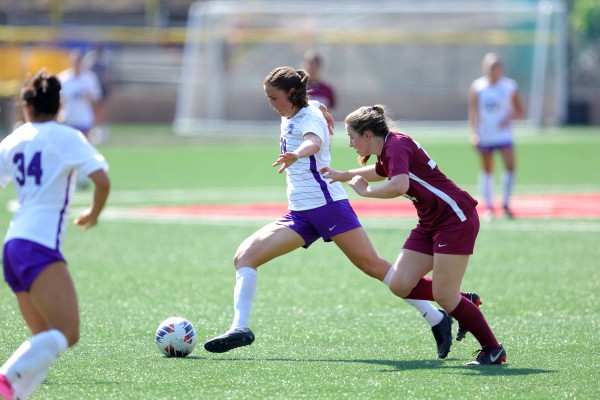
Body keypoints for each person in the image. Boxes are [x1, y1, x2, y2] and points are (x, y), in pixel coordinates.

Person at [203, 66, 456, 358]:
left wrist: (297, 153)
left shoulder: (308, 117)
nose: (271, 104)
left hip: (328, 207)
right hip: (300, 214)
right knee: (244, 256)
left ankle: (439, 315)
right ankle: (240, 329)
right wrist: (323, 108)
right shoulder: (303, 110)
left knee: (372, 265)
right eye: (268, 98)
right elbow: (314, 107)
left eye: (274, 98)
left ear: (292, 94)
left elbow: (314, 141)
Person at [321, 105, 506, 366]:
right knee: (399, 284)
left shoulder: (395, 145)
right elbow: (382, 171)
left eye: (351, 136)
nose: (350, 143)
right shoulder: (388, 148)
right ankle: (464, 301)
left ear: (367, 134)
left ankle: (493, 349)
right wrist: (345, 175)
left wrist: (367, 192)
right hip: (430, 221)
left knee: (444, 294)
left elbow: (399, 185)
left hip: (454, 218)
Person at [0, 71, 110, 400]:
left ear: (25, 107)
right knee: (67, 333)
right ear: (60, 104)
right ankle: (5, 377)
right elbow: (102, 180)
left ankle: (13, 394)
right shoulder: (67, 137)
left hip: (12, 246)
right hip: (38, 245)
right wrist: (93, 213)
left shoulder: (12, 140)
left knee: (45, 340)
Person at [469, 53, 524, 220]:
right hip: (485, 134)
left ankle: (506, 203)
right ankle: (490, 207)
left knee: (510, 166)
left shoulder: (509, 86)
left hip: (503, 135)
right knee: (487, 170)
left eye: (496, 67)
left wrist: (508, 118)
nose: (493, 71)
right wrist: (474, 133)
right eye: (490, 67)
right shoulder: (478, 87)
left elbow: (520, 111)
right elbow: (473, 112)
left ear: (501, 69)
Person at [58, 49, 103, 189]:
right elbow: (58, 100)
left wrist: (89, 97)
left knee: (83, 149)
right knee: (67, 151)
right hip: (68, 120)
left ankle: (82, 179)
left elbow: (97, 99)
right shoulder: (64, 79)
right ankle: (67, 179)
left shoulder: (89, 78)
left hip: (84, 120)